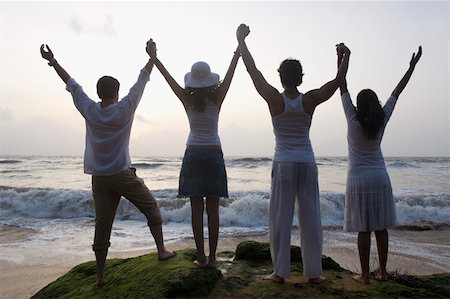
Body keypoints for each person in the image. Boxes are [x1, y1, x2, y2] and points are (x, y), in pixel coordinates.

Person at [40, 40, 175, 286]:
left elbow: (71, 84)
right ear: (117, 93)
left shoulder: (89, 109)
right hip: (122, 174)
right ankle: (162, 251)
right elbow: (142, 80)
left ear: (99, 93)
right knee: (151, 208)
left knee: (102, 226)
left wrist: (53, 61)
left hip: (99, 179)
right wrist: (152, 56)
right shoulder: (125, 108)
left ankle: (100, 276)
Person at [236, 24, 350, 283]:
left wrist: (241, 41)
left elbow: (253, 71)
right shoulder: (309, 99)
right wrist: (344, 58)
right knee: (311, 217)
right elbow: (337, 82)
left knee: (281, 218)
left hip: (284, 164)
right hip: (307, 163)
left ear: (281, 77)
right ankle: (314, 273)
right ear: (300, 77)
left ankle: (280, 272)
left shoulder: (275, 99)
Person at [147, 40, 241, 268]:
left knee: (196, 210)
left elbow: (168, 79)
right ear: (210, 80)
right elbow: (231, 73)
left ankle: (200, 257)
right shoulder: (217, 98)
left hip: (193, 154)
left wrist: (154, 57)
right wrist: (239, 46)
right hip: (213, 153)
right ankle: (212, 258)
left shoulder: (186, 98)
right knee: (214, 211)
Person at [338, 44, 422, 284]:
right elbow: (397, 91)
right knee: (380, 228)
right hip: (380, 177)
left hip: (358, 179)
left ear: (359, 104)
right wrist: (411, 67)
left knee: (363, 230)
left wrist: (343, 57)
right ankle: (382, 272)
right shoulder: (382, 118)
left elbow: (341, 84)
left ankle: (364, 275)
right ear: (375, 104)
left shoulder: (352, 119)